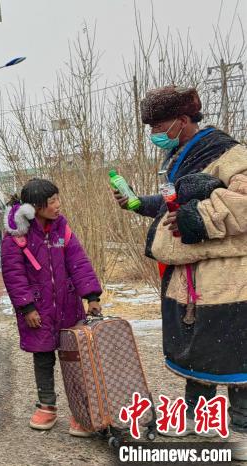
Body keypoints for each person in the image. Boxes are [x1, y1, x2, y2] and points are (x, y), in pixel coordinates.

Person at [115, 85, 246, 453]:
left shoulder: (228, 153)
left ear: (184, 120)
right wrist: (139, 203)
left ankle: (242, 428)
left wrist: (198, 217)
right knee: (198, 349)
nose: (154, 134)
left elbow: (241, 201)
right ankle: (197, 420)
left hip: (227, 276)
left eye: (159, 126)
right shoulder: (181, 157)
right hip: (192, 276)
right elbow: (174, 203)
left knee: (234, 351)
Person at [1, 179, 102, 437]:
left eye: (58, 199)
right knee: (43, 357)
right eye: (52, 201)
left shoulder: (61, 228)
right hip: (38, 311)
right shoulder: (16, 236)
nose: (58, 205)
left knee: (74, 358)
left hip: (69, 306)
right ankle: (46, 405)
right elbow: (13, 276)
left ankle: (81, 411)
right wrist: (27, 308)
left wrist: (91, 296)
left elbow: (79, 262)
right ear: (36, 207)